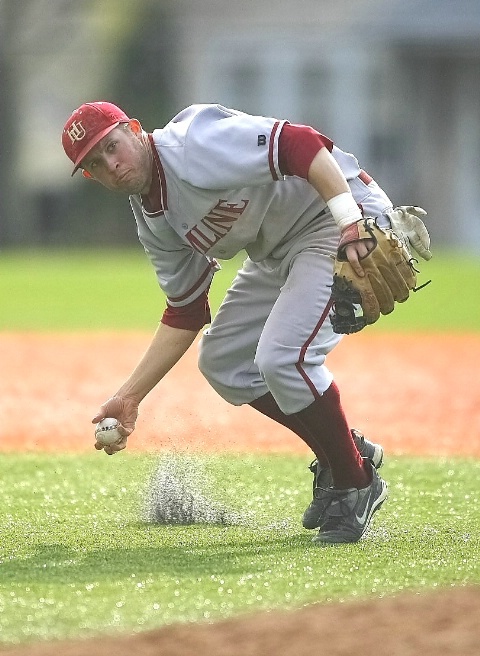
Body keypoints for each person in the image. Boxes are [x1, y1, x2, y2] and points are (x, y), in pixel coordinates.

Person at [61, 100, 422, 544]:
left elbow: (302, 142)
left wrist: (350, 221)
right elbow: (186, 310)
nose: (111, 165)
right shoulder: (152, 220)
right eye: (95, 164)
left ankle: (355, 483)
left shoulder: (192, 144)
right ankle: (342, 452)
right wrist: (129, 397)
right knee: (224, 361)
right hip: (278, 253)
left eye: (112, 146)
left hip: (336, 222)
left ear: (134, 129)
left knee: (283, 357)